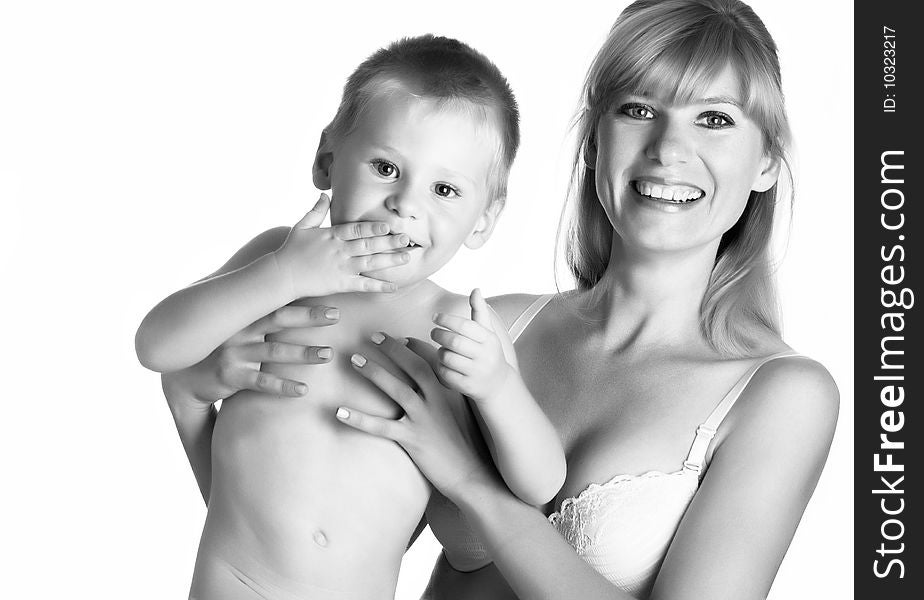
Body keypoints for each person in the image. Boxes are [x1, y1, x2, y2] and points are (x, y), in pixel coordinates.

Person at [333, 1, 840, 599]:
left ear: (767, 163)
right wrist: (191, 399)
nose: (668, 148)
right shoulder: (487, 324)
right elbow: (314, 528)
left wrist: (470, 481)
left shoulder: (781, 397)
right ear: (595, 141)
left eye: (715, 119)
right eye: (638, 109)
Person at [136, 35, 564, 600]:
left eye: (444, 189)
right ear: (327, 160)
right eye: (386, 167)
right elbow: (157, 347)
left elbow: (540, 484)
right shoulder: (278, 261)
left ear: (483, 220)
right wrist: (283, 276)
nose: (406, 204)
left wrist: (498, 387)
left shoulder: (456, 325)